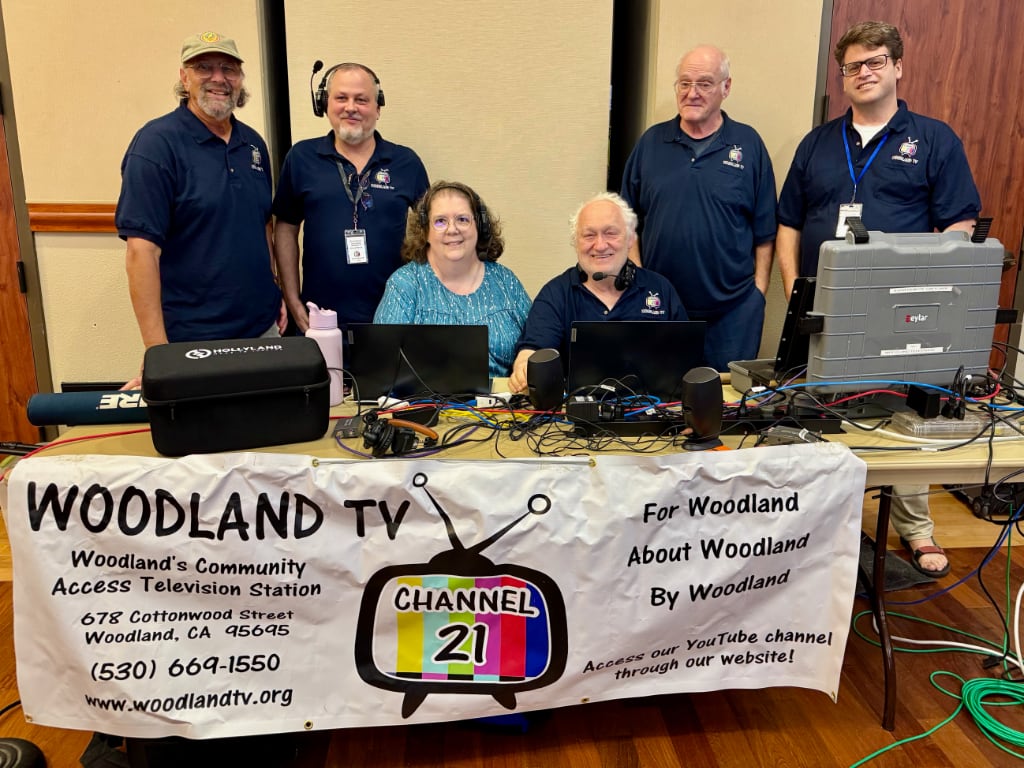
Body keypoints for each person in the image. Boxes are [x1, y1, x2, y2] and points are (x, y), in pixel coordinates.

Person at [776, 21, 982, 579]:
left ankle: (915, 528)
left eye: (875, 62)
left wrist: (928, 283)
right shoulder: (817, 143)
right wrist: (797, 287)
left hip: (901, 306)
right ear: (841, 77)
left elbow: (960, 222)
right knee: (817, 409)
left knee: (906, 411)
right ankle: (817, 527)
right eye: (852, 66)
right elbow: (789, 222)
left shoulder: (934, 139)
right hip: (825, 303)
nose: (863, 73)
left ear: (897, 67)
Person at [116, 31, 284, 350]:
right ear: (184, 77)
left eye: (229, 69)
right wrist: (157, 352)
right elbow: (141, 253)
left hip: (263, 329)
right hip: (194, 339)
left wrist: (273, 288)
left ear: (240, 79)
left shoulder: (253, 144)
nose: (218, 78)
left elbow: (262, 223)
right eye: (204, 67)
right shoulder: (156, 145)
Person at [620, 45, 776, 372]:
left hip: (733, 314)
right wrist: (639, 281)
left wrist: (757, 295)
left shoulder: (748, 146)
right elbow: (626, 222)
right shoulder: (650, 143)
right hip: (661, 308)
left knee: (726, 407)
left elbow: (765, 232)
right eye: (684, 83)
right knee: (661, 401)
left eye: (704, 84)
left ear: (726, 88)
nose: (692, 93)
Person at [273, 62, 429, 333]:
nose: (351, 107)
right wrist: (293, 299)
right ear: (324, 104)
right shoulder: (301, 158)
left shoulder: (406, 162)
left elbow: (432, 230)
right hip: (318, 319)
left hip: (392, 318)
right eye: (341, 98)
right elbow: (285, 228)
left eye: (362, 100)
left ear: (378, 107)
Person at [509, 192, 687, 393]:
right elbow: (533, 350)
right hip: (577, 415)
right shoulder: (555, 294)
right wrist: (525, 366)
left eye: (611, 233)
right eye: (589, 235)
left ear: (630, 239)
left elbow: (685, 361)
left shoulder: (660, 289)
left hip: (650, 412)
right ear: (576, 243)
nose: (600, 245)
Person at [374, 181, 530, 378]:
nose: (452, 229)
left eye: (463, 219)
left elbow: (536, 343)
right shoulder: (405, 284)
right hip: (425, 404)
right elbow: (382, 365)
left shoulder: (505, 281)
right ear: (425, 230)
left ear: (479, 225)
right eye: (440, 221)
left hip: (502, 404)